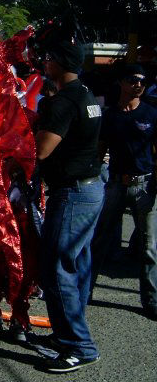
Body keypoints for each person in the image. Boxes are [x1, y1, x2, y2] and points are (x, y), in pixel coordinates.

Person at [35, 25, 104, 372]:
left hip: (74, 192)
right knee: (76, 264)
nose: (44, 64)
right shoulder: (86, 95)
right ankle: (67, 333)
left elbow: (43, 150)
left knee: (55, 267)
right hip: (91, 187)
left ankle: (79, 346)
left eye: (48, 59)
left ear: (60, 63)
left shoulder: (62, 102)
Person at [90, 64, 157, 321]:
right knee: (100, 240)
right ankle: (86, 291)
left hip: (145, 186)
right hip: (115, 184)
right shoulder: (110, 117)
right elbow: (100, 148)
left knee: (149, 247)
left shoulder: (152, 114)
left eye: (142, 80)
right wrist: (96, 178)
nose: (138, 84)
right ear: (121, 83)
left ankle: (151, 301)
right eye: (132, 79)